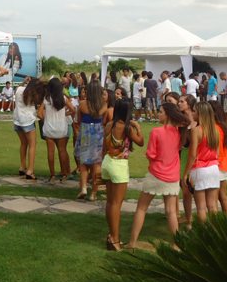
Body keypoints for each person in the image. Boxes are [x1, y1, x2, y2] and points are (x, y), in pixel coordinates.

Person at [128, 103, 191, 250]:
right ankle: (175, 244)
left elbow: (151, 154)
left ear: (168, 115)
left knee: (141, 208)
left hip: (155, 175)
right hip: (172, 177)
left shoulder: (156, 131)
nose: (159, 113)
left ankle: (132, 242)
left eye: (161, 111)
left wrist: (149, 157)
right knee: (171, 212)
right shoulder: (179, 134)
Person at [102, 99, 144, 251]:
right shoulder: (127, 128)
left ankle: (111, 234)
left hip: (107, 162)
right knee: (116, 203)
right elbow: (140, 142)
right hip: (119, 165)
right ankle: (115, 238)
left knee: (110, 201)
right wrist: (138, 127)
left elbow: (104, 147)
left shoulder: (109, 125)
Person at [183, 102, 220, 224]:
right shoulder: (215, 129)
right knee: (213, 205)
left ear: (201, 114)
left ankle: (204, 230)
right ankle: (216, 229)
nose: (193, 113)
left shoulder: (196, 130)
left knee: (201, 206)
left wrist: (186, 173)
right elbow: (218, 153)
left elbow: (193, 155)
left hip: (200, 168)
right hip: (214, 168)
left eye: (195, 111)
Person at [38, 77, 75, 183]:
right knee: (62, 151)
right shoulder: (64, 98)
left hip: (49, 128)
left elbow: (39, 114)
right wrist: (64, 114)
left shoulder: (46, 99)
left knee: (50, 151)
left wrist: (45, 118)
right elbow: (73, 110)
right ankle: (64, 175)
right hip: (61, 127)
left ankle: (52, 175)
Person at [77, 80, 106, 200]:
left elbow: (79, 120)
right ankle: (94, 192)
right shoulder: (103, 105)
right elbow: (104, 121)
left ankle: (84, 187)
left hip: (85, 133)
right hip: (98, 134)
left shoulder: (82, 104)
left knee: (84, 163)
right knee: (97, 164)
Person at [209, 101, 227, 215]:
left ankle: (216, 223)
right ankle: (226, 221)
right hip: (224, 164)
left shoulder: (216, 128)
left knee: (213, 199)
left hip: (218, 165)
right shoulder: (222, 126)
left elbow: (218, 151)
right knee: (222, 197)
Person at [177, 94, 197, 225]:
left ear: (189, 104)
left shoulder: (197, 119)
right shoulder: (180, 120)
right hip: (183, 155)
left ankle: (196, 217)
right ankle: (188, 216)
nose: (179, 103)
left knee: (194, 189)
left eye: (182, 101)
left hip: (196, 156)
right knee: (185, 189)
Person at [14, 76, 38, 180]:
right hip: (28, 120)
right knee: (32, 145)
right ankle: (30, 171)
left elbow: (17, 89)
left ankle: (23, 166)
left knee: (23, 143)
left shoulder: (20, 89)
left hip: (17, 119)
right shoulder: (32, 93)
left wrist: (24, 82)